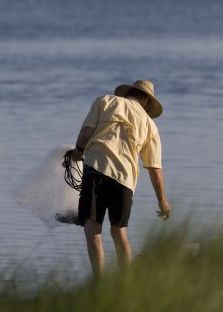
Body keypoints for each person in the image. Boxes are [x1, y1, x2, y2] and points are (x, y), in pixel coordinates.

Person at [71, 79, 171, 278]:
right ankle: (126, 282)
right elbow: (155, 169)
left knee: (93, 231)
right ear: (147, 103)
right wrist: (162, 200)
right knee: (118, 232)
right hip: (124, 180)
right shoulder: (150, 125)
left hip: (97, 170)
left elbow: (86, 132)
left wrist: (78, 152)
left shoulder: (106, 101)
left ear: (128, 93)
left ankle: (99, 283)